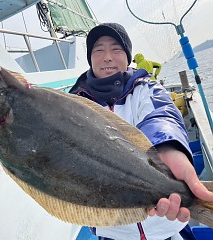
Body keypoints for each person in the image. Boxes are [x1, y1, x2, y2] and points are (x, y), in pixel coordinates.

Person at [69, 23, 213, 240]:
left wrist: (166, 147)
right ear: (90, 58)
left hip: (166, 225)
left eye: (116, 49)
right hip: (113, 232)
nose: (107, 57)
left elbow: (162, 116)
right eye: (98, 50)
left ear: (127, 57)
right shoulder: (75, 103)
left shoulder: (147, 89)